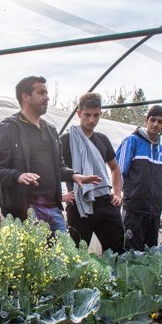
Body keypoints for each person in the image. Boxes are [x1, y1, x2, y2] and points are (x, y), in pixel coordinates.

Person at [0, 76, 100, 232]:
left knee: (62, 255)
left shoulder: (51, 130)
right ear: (25, 97)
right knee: (32, 256)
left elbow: (58, 167)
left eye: (47, 93)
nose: (47, 97)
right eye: (41, 93)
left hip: (53, 210)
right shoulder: (7, 129)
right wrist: (17, 176)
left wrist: (74, 175)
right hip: (25, 211)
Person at [59, 93, 125, 253]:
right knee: (77, 255)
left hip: (104, 201)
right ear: (79, 113)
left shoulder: (102, 140)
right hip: (78, 203)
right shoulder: (65, 140)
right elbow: (51, 169)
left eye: (96, 115)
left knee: (117, 252)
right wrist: (60, 196)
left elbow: (115, 168)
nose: (91, 120)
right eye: (87, 115)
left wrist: (117, 193)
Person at [116, 105, 162, 251]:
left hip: (154, 211)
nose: (155, 124)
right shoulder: (132, 141)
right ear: (147, 120)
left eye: (160, 121)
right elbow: (118, 172)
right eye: (153, 120)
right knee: (131, 252)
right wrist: (119, 195)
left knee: (150, 254)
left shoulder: (161, 151)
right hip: (134, 209)